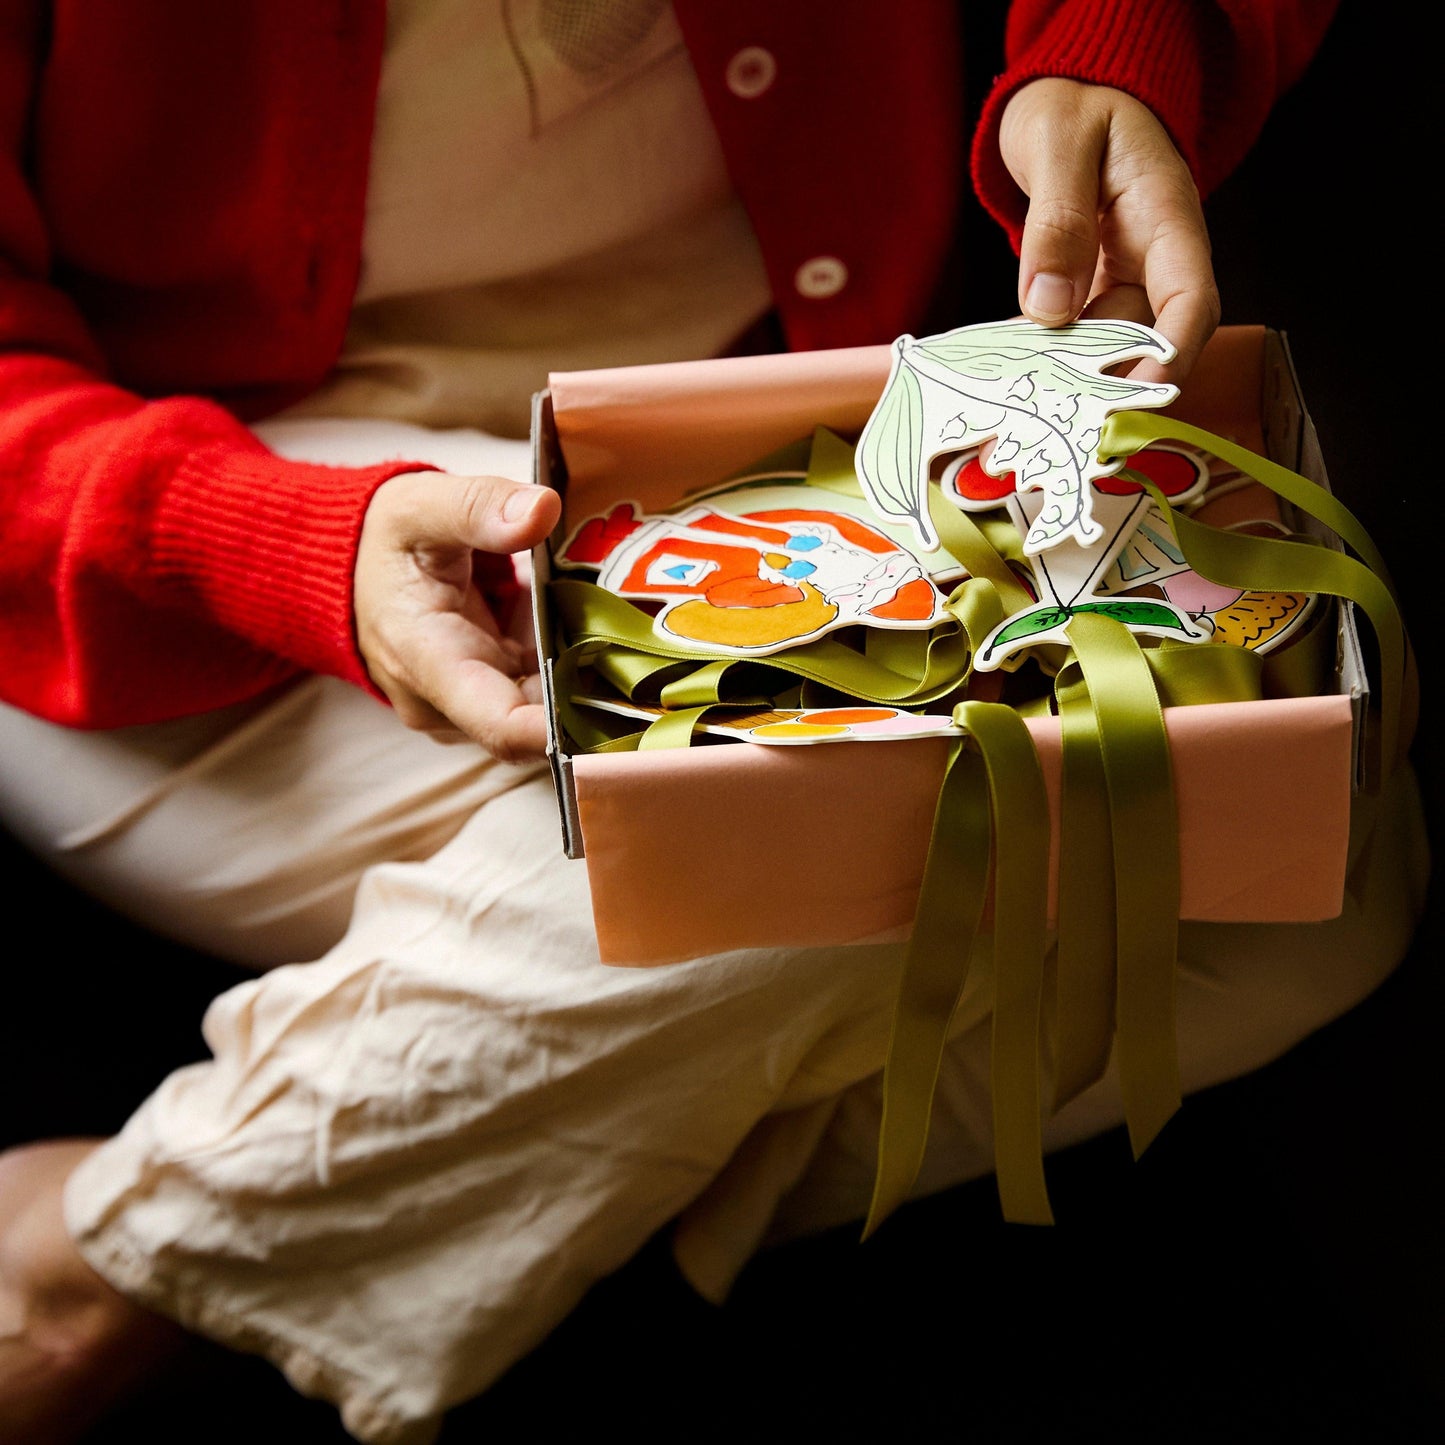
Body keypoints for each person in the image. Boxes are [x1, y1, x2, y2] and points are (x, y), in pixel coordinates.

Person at [2, 3, 1427, 1443]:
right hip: (151, 523)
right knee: (914, 840)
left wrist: (1115, 43)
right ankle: (99, 1279)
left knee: (1321, 888)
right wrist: (278, 544)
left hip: (706, 454)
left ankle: (204, 1232)